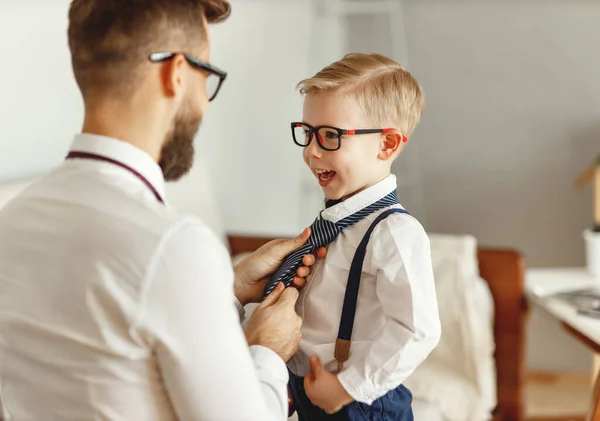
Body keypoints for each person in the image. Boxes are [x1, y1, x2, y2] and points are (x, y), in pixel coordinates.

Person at [0, 1, 325, 420]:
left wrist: (222, 290)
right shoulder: (173, 245)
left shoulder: (14, 219)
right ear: (176, 72)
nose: (205, 104)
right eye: (207, 76)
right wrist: (266, 352)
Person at [280, 53, 442, 420]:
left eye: (330, 136)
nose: (311, 151)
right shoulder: (332, 224)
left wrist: (348, 387)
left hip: (362, 403)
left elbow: (418, 330)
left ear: (387, 145)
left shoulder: (396, 233)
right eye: (307, 133)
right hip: (309, 392)